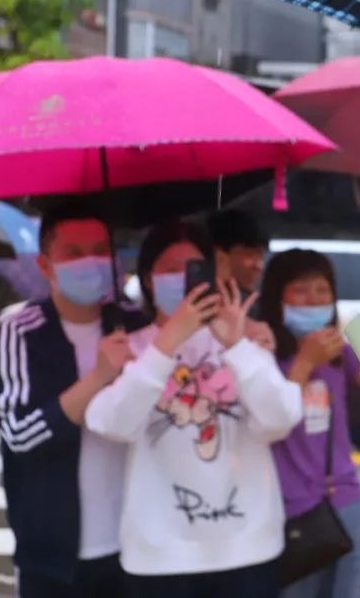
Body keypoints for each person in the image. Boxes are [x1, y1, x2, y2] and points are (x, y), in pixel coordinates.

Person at [84, 221, 302, 597]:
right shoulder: (131, 348)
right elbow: (110, 423)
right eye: (168, 268)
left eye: (192, 267)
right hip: (159, 556)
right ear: (149, 280)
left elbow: (281, 419)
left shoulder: (242, 339)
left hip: (247, 548)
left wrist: (237, 348)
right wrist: (166, 345)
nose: (180, 278)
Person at [0, 203, 147, 598]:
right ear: (45, 264)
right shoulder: (18, 331)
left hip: (137, 549)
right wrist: (99, 378)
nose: (89, 262)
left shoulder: (137, 325)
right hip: (53, 557)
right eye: (73, 253)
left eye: (98, 250)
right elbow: (21, 435)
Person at [260, 250, 360, 598]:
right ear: (277, 297)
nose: (314, 300)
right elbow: (272, 417)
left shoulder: (338, 353)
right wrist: (304, 363)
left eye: (322, 291)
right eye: (301, 291)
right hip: (287, 510)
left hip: (345, 500)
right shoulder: (262, 355)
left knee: (353, 590)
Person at [208, 209, 269, 302]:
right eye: (249, 255)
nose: (259, 266)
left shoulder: (260, 306)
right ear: (220, 257)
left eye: (261, 257)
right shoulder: (192, 305)